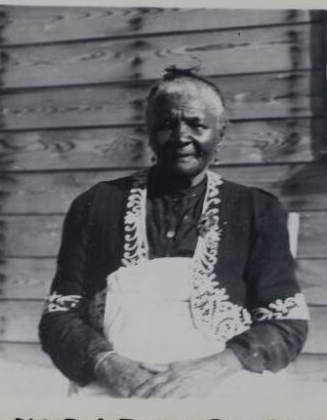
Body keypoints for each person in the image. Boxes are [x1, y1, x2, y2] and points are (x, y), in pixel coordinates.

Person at [38, 67, 309, 399]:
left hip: (222, 382)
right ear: (148, 133)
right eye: (167, 124)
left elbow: (287, 323)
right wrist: (106, 363)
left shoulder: (256, 210)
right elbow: (59, 315)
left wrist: (213, 368)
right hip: (116, 384)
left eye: (197, 124)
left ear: (221, 132)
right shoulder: (95, 205)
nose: (181, 136)